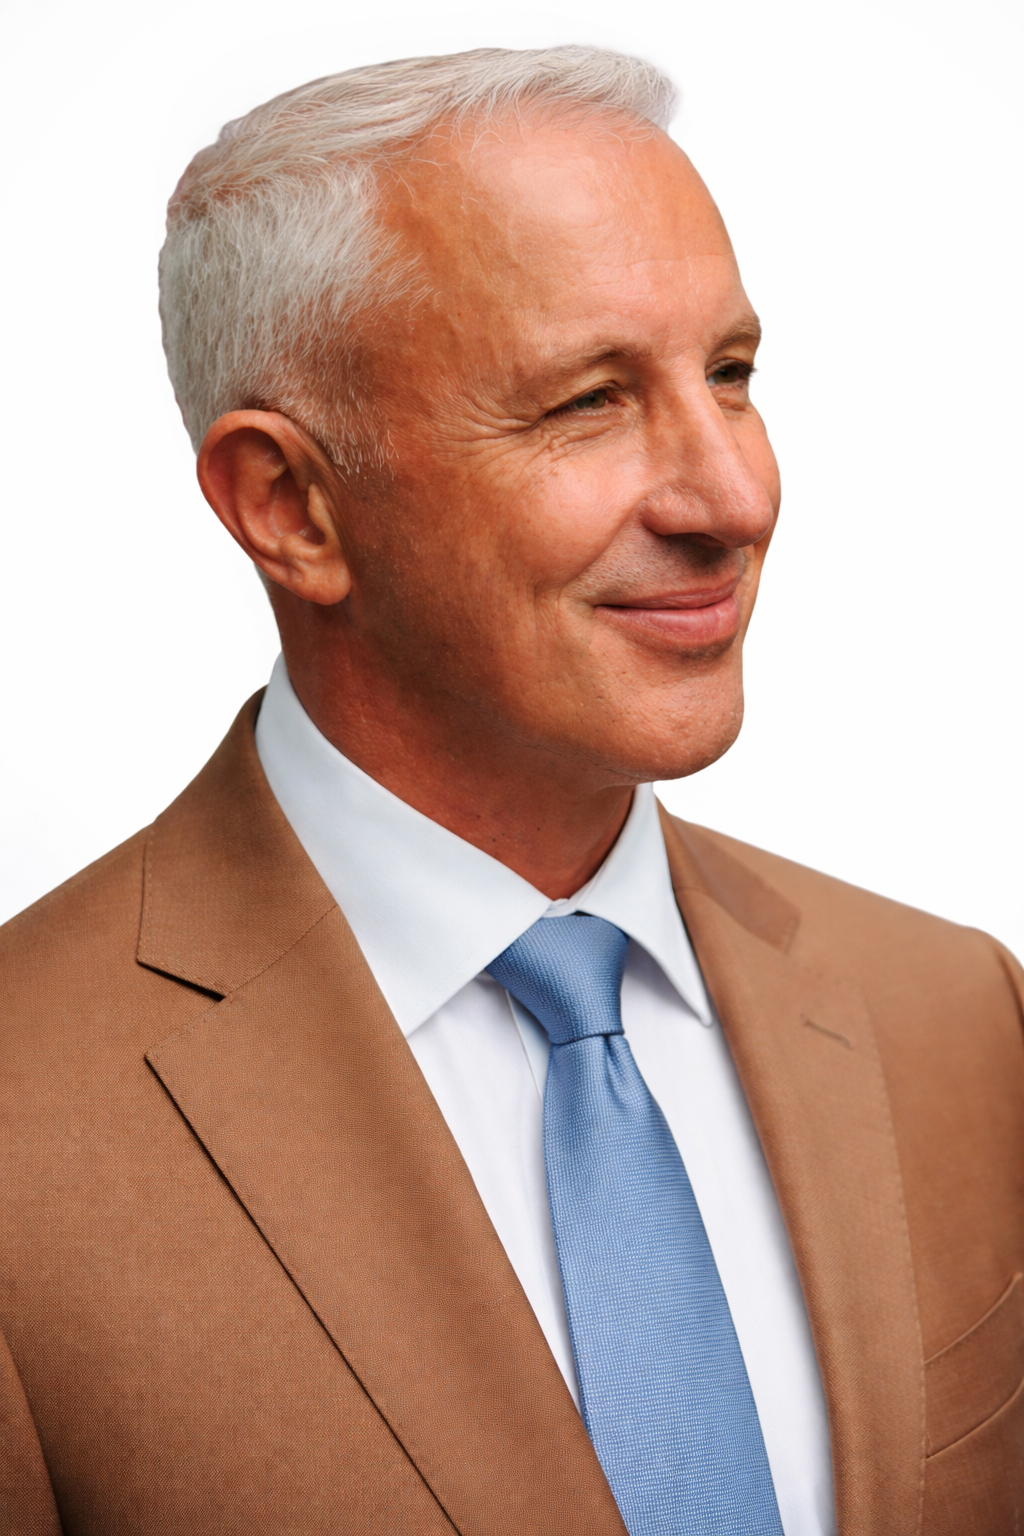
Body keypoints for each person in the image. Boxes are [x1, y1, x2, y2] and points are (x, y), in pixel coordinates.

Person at [1, 46, 1021, 1536]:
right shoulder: (27, 1120)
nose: (732, 498)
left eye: (730, 375)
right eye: (588, 403)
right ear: (290, 505)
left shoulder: (962, 1018)